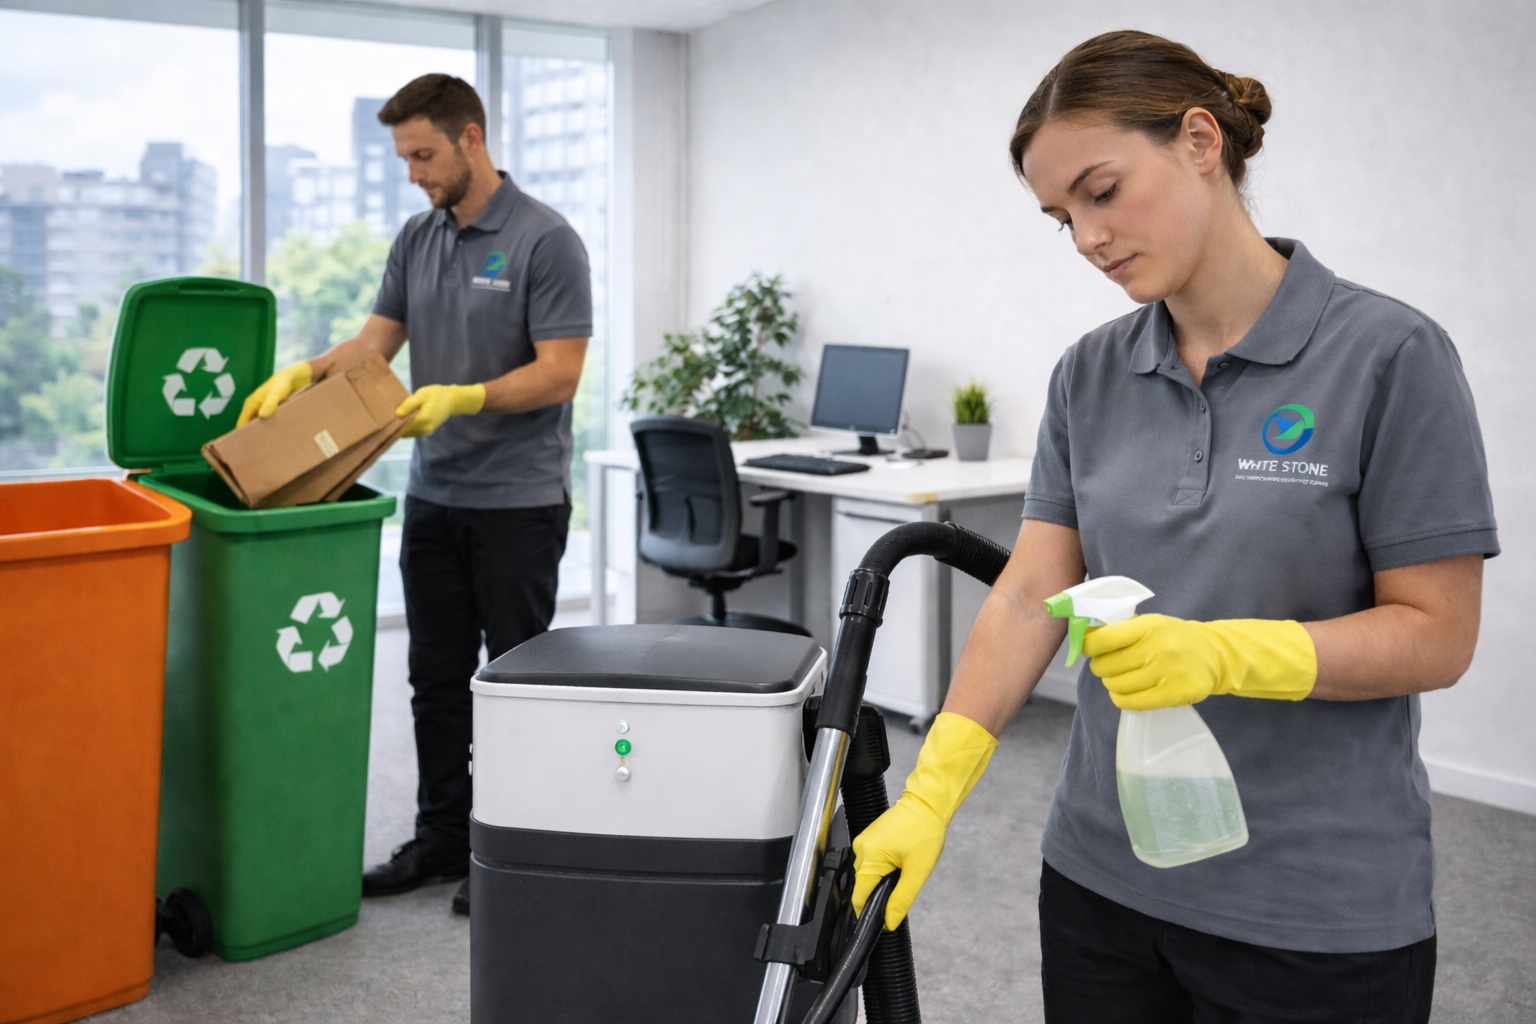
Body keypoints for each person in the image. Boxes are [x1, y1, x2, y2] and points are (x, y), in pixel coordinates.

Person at [849, 30, 1497, 1023]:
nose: (1090, 236)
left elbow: (1438, 631)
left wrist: (1230, 654)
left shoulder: (1390, 355)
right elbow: (1030, 592)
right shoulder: (1091, 372)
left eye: (1101, 190)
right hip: (1101, 879)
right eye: (1061, 218)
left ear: (1200, 140)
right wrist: (933, 789)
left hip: (1313, 906)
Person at [238, 74, 591, 916]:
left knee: (509, 686)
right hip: (434, 496)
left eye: (424, 155)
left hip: (518, 503)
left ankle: (510, 851)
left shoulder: (547, 241)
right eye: (403, 158)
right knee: (433, 678)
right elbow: (375, 342)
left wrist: (467, 395)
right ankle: (441, 841)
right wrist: (305, 372)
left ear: (472, 138)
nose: (414, 173)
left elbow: (561, 371)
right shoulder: (417, 237)